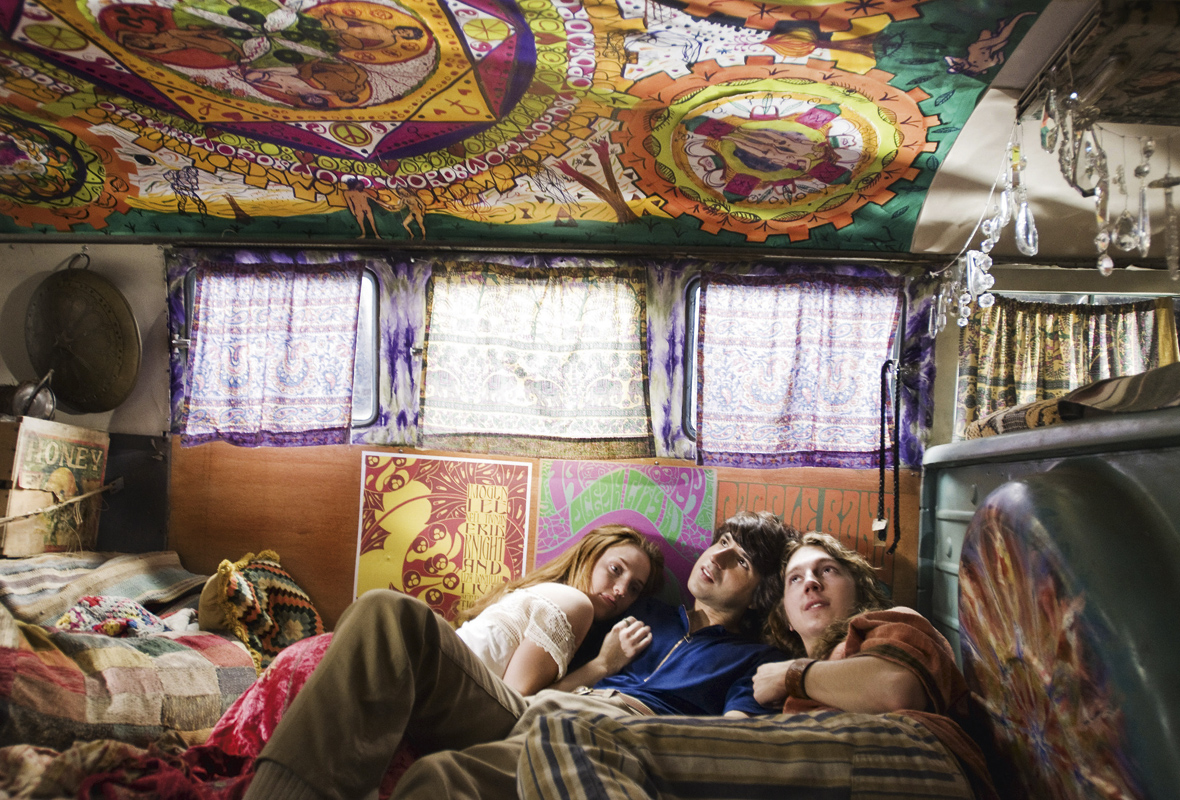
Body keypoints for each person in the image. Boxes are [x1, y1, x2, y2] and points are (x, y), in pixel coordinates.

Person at [243, 510, 794, 800]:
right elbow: (532, 659)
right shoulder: (640, 610)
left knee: (439, 781)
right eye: (722, 541)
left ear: (760, 595)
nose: (718, 556)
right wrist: (600, 665)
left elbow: (735, 745)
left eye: (741, 560)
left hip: (620, 732)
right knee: (386, 611)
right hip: (530, 707)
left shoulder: (752, 659)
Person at [517, 531, 1000, 800]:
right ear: (783, 613)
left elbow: (896, 689)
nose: (811, 583)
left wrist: (792, 675)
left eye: (827, 571)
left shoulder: (885, 622)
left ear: (860, 587)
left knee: (566, 732)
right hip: (827, 766)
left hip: (912, 759)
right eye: (795, 579)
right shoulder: (785, 685)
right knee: (510, 755)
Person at [452, 523, 664, 694]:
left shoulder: (547, 597)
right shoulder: (574, 603)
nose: (621, 590)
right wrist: (603, 664)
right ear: (587, 557)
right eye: (615, 569)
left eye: (634, 588)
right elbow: (515, 703)